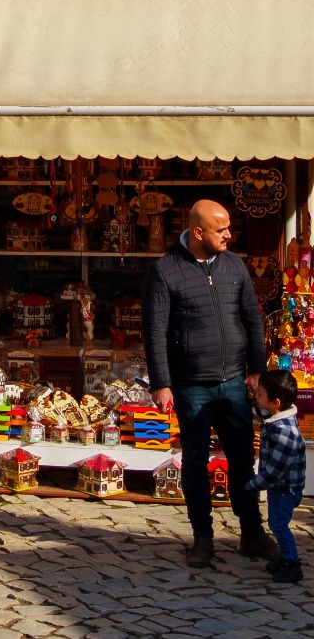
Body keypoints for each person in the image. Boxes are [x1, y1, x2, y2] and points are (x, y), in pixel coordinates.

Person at [142, 199, 277, 568]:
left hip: (233, 381)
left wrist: (256, 369)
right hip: (190, 386)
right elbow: (154, 332)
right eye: (222, 230)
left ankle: (252, 533)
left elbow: (252, 318)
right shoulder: (165, 270)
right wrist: (162, 382)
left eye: (229, 227)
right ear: (198, 232)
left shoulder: (234, 265)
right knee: (195, 462)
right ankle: (202, 538)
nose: (230, 235)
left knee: (242, 460)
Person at [245, 370, 306, 583]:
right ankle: (286, 559)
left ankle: (291, 563)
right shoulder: (278, 418)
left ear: (276, 402)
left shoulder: (283, 433)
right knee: (277, 522)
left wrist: (254, 484)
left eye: (260, 395)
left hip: (284, 488)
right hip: (279, 487)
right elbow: (263, 414)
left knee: (279, 524)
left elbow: (276, 470)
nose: (256, 397)